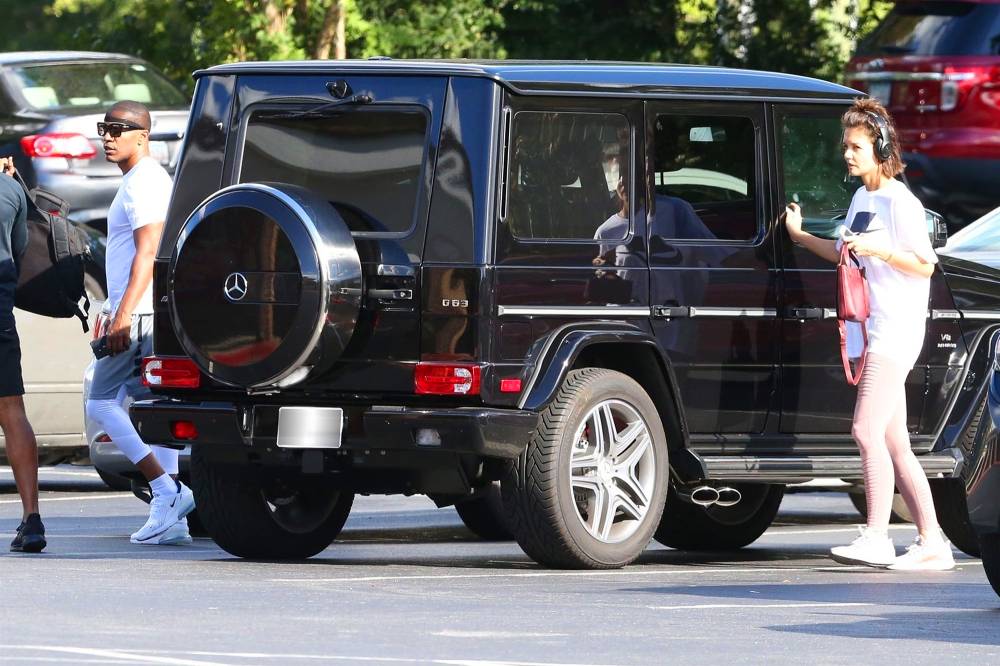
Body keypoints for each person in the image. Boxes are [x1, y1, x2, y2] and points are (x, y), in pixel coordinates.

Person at [784, 98, 954, 571]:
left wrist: (880, 251)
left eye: (855, 146)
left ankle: (877, 535)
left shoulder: (901, 202)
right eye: (845, 146)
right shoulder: (862, 199)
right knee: (895, 439)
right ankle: (933, 541)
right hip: (873, 329)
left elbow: (924, 265)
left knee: (864, 430)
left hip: (895, 332)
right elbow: (844, 253)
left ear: (879, 148)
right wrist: (800, 236)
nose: (847, 154)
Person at [85, 101, 194, 545]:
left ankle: (167, 488)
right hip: (144, 311)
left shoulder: (143, 183)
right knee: (153, 406)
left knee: (102, 402)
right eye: (104, 128)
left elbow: (149, 252)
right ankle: (174, 516)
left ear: (143, 135)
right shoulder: (141, 180)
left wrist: (123, 313)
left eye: (119, 129)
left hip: (142, 313)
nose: (109, 137)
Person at [0, 156, 46, 553]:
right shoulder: (10, 188)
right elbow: (19, 249)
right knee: (12, 411)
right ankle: (32, 519)